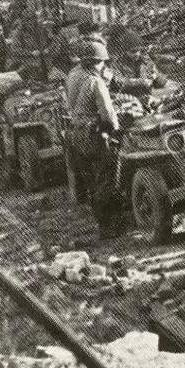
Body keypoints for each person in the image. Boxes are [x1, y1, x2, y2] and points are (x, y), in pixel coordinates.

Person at [65, 39, 121, 239]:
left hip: (75, 133)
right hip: (93, 134)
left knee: (91, 180)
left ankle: (102, 224)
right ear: (94, 62)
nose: (104, 65)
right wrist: (116, 128)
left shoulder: (72, 75)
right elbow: (108, 114)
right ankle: (109, 227)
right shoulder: (95, 81)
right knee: (107, 176)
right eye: (101, 62)